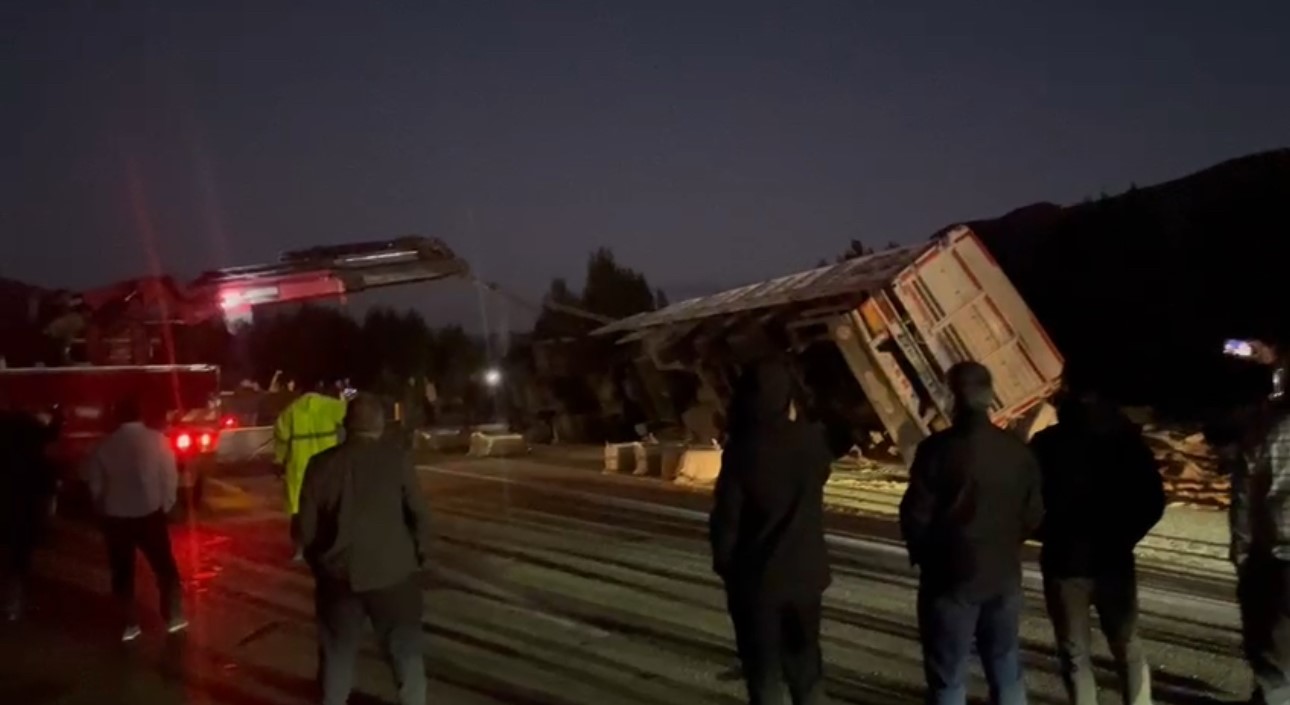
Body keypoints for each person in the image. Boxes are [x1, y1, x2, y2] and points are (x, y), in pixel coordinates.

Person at [900, 361, 1043, 705]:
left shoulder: (936, 450)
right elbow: (1034, 513)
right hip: (1003, 573)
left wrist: (927, 558)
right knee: (1005, 665)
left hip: (950, 578)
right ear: (990, 397)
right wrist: (1007, 543)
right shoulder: (1017, 452)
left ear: (952, 399)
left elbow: (915, 516)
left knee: (948, 676)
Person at [709, 359, 839, 705]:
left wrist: (727, 569)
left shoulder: (742, 450)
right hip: (806, 576)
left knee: (764, 672)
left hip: (757, 582)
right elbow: (821, 473)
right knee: (806, 668)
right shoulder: (812, 442)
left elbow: (726, 521)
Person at [1030, 370, 1163, 705]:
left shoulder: (1047, 445)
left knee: (1075, 653)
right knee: (1126, 645)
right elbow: (1152, 502)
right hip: (1112, 560)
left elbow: (1025, 501)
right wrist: (1125, 537)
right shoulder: (1126, 444)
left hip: (1065, 560)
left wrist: (1046, 532)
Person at [297, 393, 433, 705]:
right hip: (394, 574)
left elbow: (305, 528)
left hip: (338, 577)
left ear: (346, 426)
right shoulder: (396, 459)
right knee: (406, 655)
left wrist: (319, 564)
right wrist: (420, 554)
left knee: (336, 656)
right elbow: (419, 514)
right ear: (380, 425)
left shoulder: (320, 464)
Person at [81, 398, 186, 641]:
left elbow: (95, 486)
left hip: (117, 517)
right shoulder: (158, 440)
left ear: (116, 417)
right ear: (140, 414)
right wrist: (166, 504)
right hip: (150, 513)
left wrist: (103, 509)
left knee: (122, 571)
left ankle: (130, 623)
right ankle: (173, 615)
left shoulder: (103, 447)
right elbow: (169, 477)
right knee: (164, 567)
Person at [1226, 345, 1290, 705]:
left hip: (1276, 563)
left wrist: (1242, 555)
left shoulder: (1265, 431)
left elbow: (1243, 499)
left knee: (1274, 671)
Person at [274, 379, 348, 560]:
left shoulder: (290, 412)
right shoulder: (332, 406)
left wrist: (279, 461)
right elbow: (352, 418)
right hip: (327, 465)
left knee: (299, 510)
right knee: (328, 507)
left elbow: (281, 442)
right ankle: (328, 546)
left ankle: (300, 549)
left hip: (299, 468)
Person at [0, 405, 60, 621]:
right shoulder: (39, 462)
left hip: (8, 510)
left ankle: (12, 602)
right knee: (19, 560)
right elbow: (48, 491)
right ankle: (12, 605)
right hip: (24, 516)